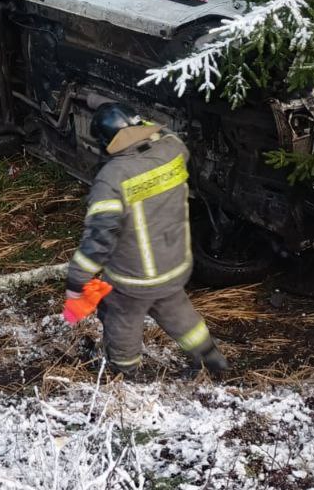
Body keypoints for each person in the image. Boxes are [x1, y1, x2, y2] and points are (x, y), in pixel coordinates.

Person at [63, 102, 229, 379]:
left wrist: (76, 280)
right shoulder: (174, 150)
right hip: (174, 264)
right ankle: (212, 359)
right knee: (179, 314)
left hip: (135, 278)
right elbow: (165, 134)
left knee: (121, 320)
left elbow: (100, 238)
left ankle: (123, 371)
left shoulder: (112, 179)